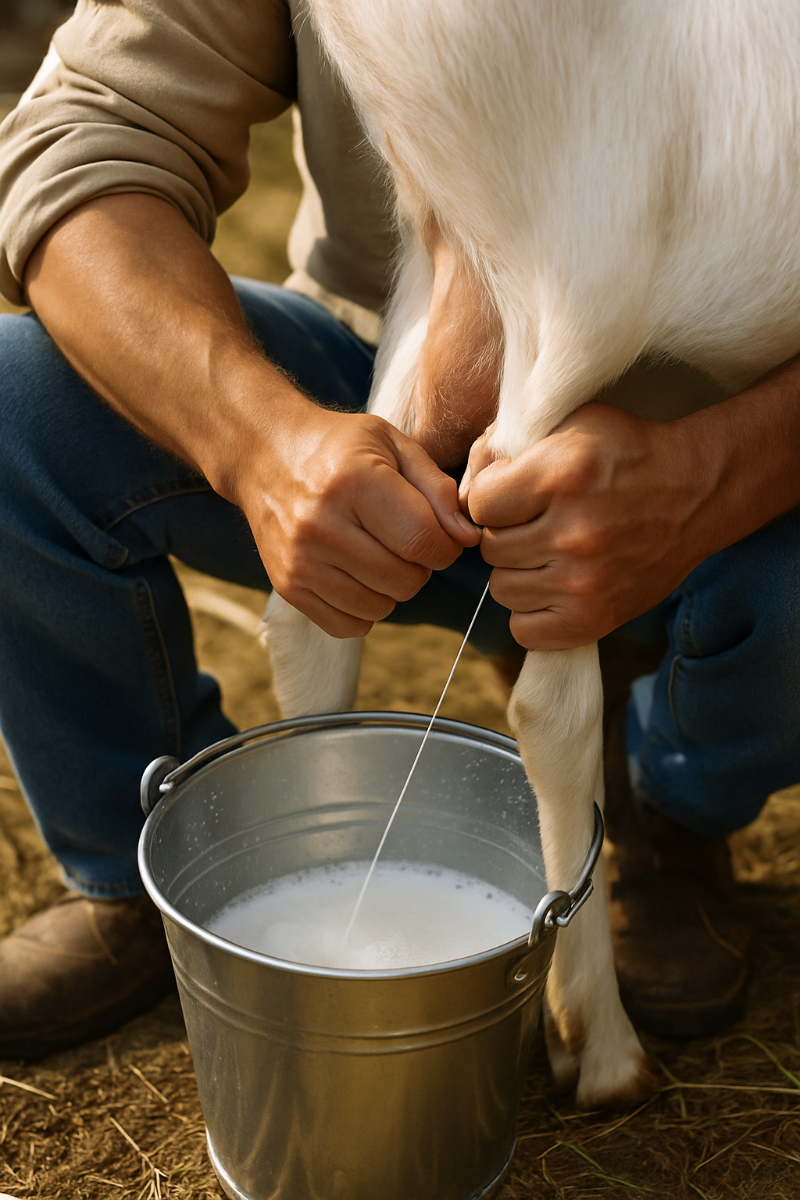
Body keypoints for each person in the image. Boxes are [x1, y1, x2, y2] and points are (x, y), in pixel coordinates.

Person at [0, 1, 798, 1060]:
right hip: (381, 401)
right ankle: (156, 861)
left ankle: (667, 812)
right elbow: (88, 132)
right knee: (19, 408)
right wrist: (261, 441)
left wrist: (718, 470)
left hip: (732, 468)